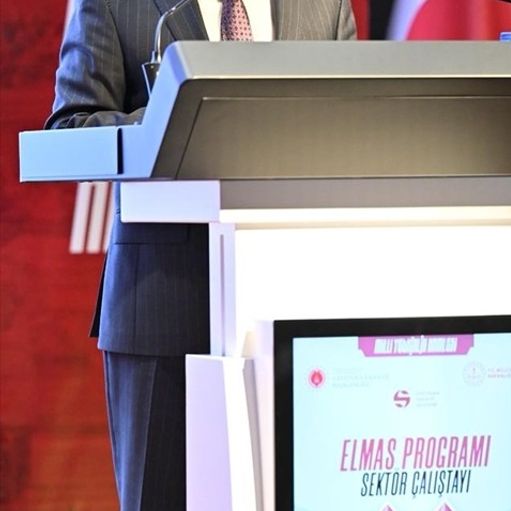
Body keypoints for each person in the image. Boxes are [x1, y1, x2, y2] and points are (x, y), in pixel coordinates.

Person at [46, 0, 356, 508]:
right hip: (162, 311)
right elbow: (70, 127)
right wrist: (178, 116)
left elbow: (353, 123)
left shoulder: (323, 6)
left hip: (301, 310)